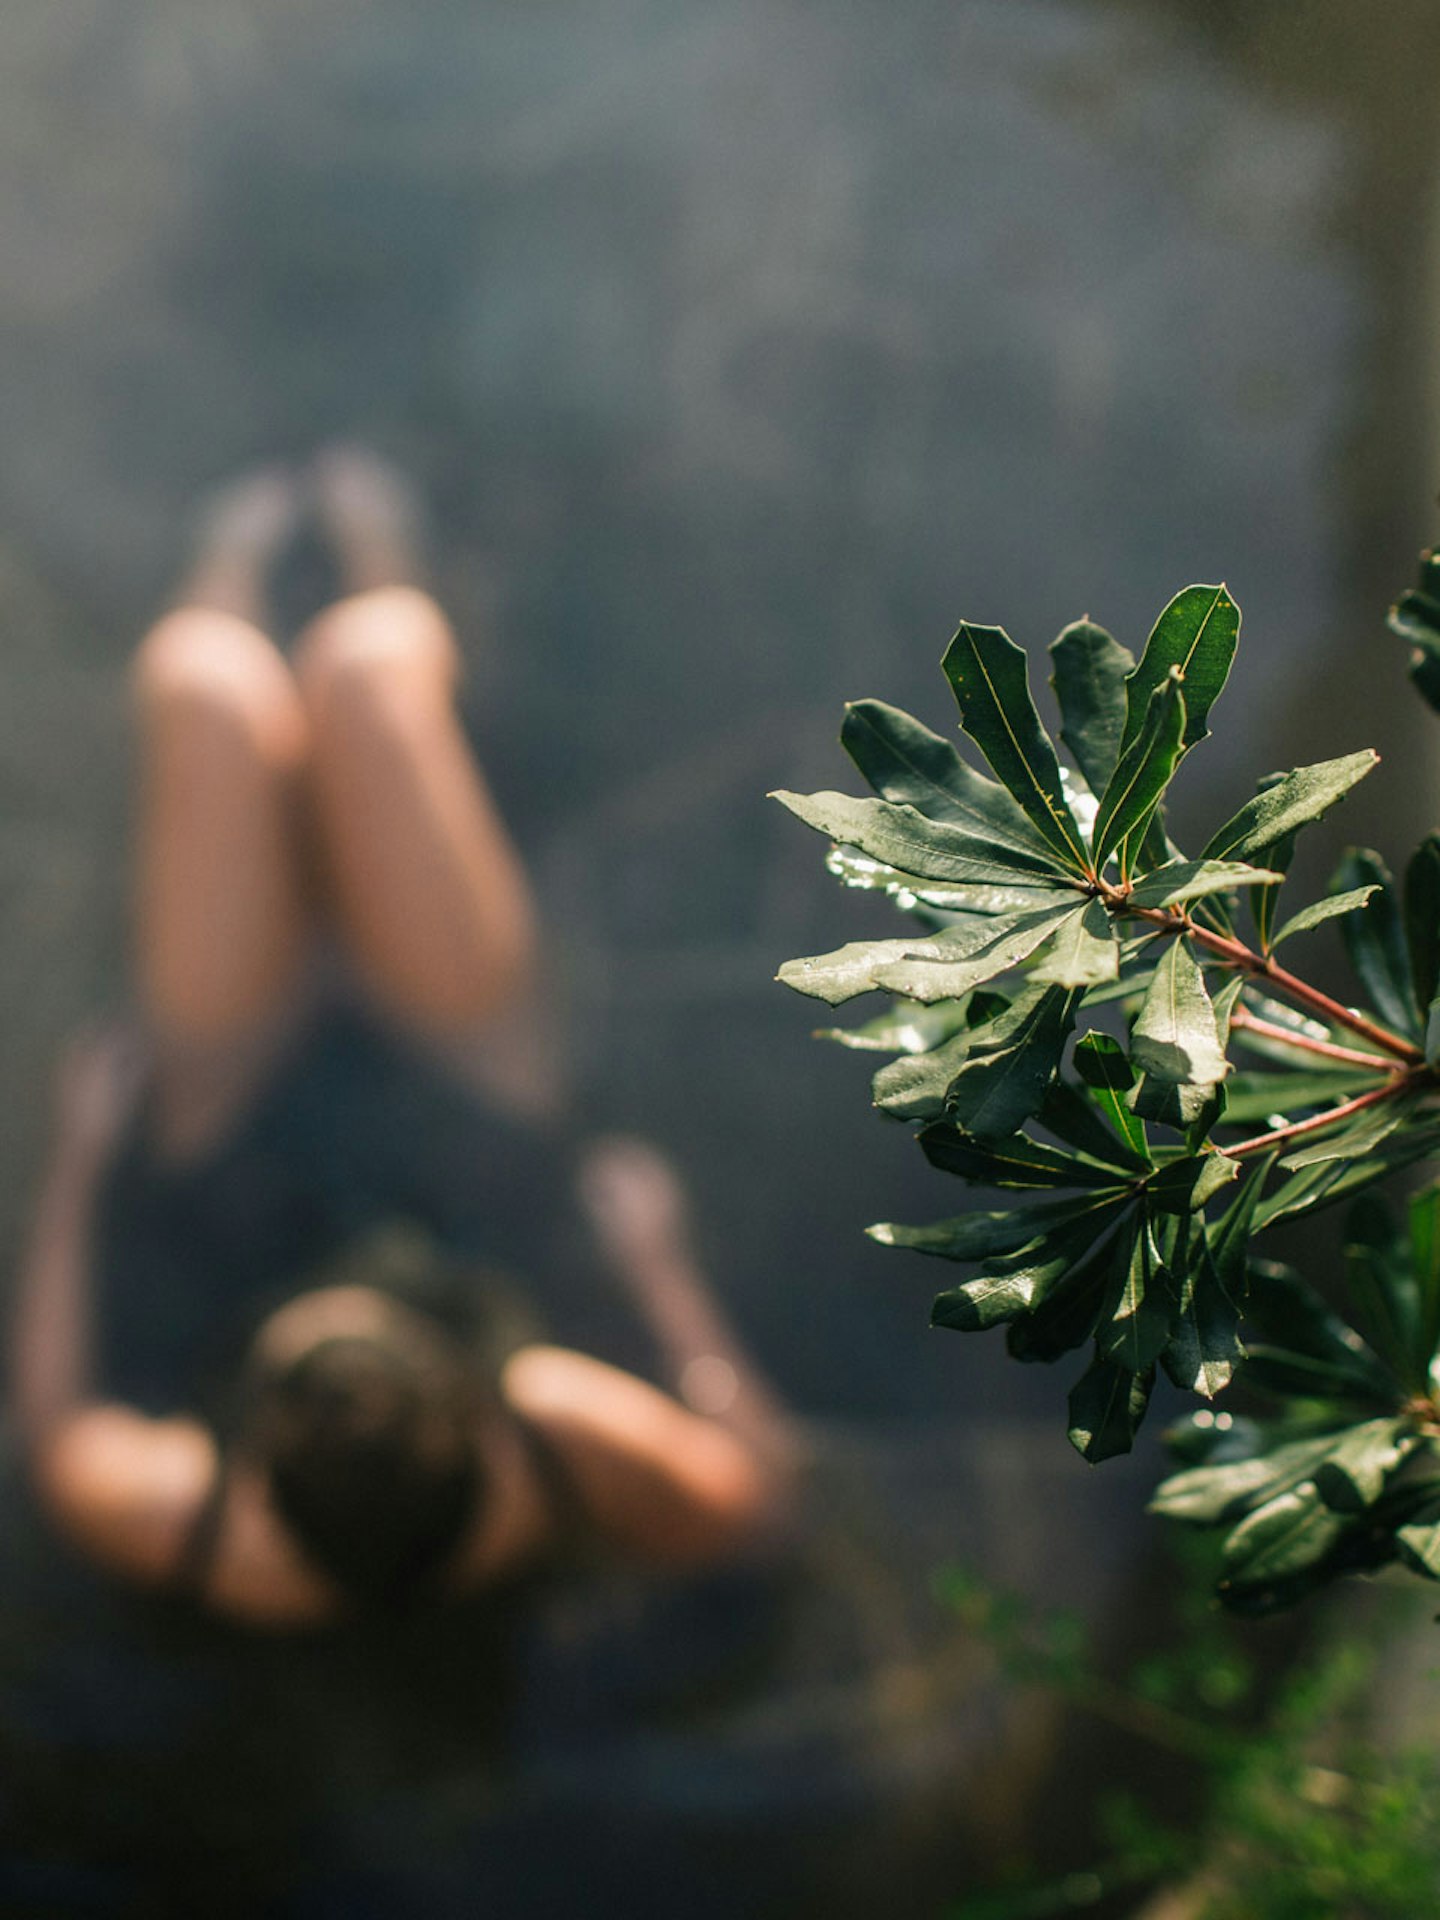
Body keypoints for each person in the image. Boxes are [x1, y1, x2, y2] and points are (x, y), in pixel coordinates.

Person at [10, 450, 793, 1635]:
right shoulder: (548, 1431)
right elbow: (755, 1495)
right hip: (464, 1091)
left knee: (203, 684)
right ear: (474, 1410)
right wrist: (657, 1262)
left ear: (257, 1462)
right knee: (367, 670)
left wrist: (81, 1165)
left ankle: (231, 555)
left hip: (232, 1109)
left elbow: (57, 1423)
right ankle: (384, 555)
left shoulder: (202, 1532)